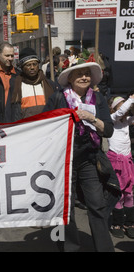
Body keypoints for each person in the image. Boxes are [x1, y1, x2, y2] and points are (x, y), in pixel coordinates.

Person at [43, 59, 116, 252]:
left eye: (87, 74)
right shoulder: (58, 98)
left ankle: (104, 248)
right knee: (65, 208)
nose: (84, 77)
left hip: (89, 160)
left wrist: (91, 117)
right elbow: (44, 126)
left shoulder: (98, 99)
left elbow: (108, 130)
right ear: (70, 78)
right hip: (62, 161)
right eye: (79, 74)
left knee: (97, 205)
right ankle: (68, 248)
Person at [106, 95, 134, 238]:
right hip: (115, 161)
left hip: (127, 160)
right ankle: (116, 223)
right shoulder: (112, 119)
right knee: (118, 194)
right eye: (121, 105)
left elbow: (126, 113)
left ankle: (129, 223)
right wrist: (130, 99)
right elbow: (120, 113)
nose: (125, 108)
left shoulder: (127, 121)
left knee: (129, 193)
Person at [11, 48, 57, 121]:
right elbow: (13, 112)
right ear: (22, 67)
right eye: (28, 65)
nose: (32, 67)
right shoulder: (16, 85)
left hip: (47, 126)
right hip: (26, 128)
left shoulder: (50, 84)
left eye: (34, 64)